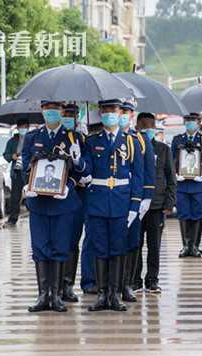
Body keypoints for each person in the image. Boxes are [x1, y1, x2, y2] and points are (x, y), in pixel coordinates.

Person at [78, 99, 143, 312]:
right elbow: (86, 167)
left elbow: (138, 176)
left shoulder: (131, 141)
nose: (109, 115)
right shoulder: (92, 139)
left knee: (117, 248)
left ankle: (115, 294)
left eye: (113, 111)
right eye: (105, 111)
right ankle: (102, 293)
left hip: (121, 201)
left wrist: (135, 205)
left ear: (119, 113)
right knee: (99, 248)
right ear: (100, 114)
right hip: (97, 200)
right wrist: (78, 161)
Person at [21, 100, 83, 313]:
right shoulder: (32, 137)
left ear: (62, 111)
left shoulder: (72, 137)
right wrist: (28, 185)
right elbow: (26, 164)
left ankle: (56, 295)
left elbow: (79, 171)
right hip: (38, 201)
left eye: (55, 109)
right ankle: (42, 295)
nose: (51, 113)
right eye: (47, 109)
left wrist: (69, 184)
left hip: (62, 203)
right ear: (42, 111)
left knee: (59, 246)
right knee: (40, 247)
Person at [132, 112, 176, 294]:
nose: (148, 130)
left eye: (151, 127)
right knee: (135, 244)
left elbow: (170, 177)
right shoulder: (132, 147)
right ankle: (134, 280)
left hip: (157, 205)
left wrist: (170, 201)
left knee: (154, 246)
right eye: (144, 127)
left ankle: (152, 279)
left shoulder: (163, 149)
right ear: (137, 129)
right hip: (136, 204)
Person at [118, 101, 155, 301]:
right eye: (120, 112)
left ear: (132, 116)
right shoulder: (111, 138)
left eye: (126, 113)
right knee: (114, 243)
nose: (123, 115)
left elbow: (149, 171)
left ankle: (128, 283)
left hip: (134, 198)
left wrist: (146, 198)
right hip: (115, 197)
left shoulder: (139, 139)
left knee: (133, 242)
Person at [172, 113, 202, 258]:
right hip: (182, 183)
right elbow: (172, 159)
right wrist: (175, 173)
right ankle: (185, 246)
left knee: (198, 213)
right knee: (183, 214)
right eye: (188, 121)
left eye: (193, 121)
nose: (190, 123)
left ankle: (195, 246)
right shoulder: (177, 139)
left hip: (198, 183)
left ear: (199, 122)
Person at [59, 103, 88, 303]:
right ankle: (55, 284)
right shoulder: (53, 137)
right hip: (56, 197)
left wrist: (80, 165)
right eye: (66, 114)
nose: (69, 117)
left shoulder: (81, 139)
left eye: (72, 115)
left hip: (77, 197)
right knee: (58, 241)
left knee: (72, 243)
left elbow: (87, 168)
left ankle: (68, 284)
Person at [3, 119, 29, 226]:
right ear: (18, 128)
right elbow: (6, 154)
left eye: (25, 127)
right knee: (15, 197)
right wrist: (12, 156)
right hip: (17, 171)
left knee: (32, 196)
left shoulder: (31, 139)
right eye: (21, 127)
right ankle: (12, 219)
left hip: (28, 171)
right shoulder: (12, 141)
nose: (23, 129)